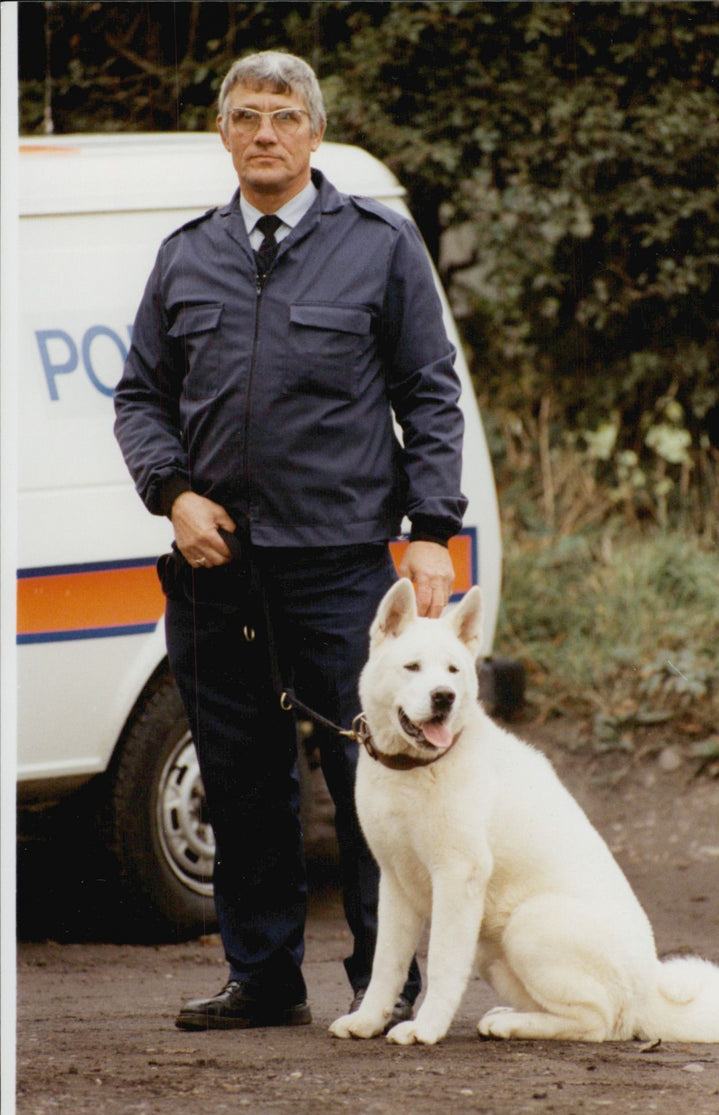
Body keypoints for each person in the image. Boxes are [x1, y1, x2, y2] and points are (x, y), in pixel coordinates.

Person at [114, 50, 467, 1031]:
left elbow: (428, 394)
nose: (262, 133)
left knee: (375, 779)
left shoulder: (379, 247)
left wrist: (431, 530)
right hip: (216, 570)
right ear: (222, 134)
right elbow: (141, 397)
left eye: (281, 116)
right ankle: (262, 977)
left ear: (313, 132)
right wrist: (173, 494)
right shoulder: (186, 254)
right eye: (244, 117)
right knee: (239, 775)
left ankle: (383, 983)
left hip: (342, 563)